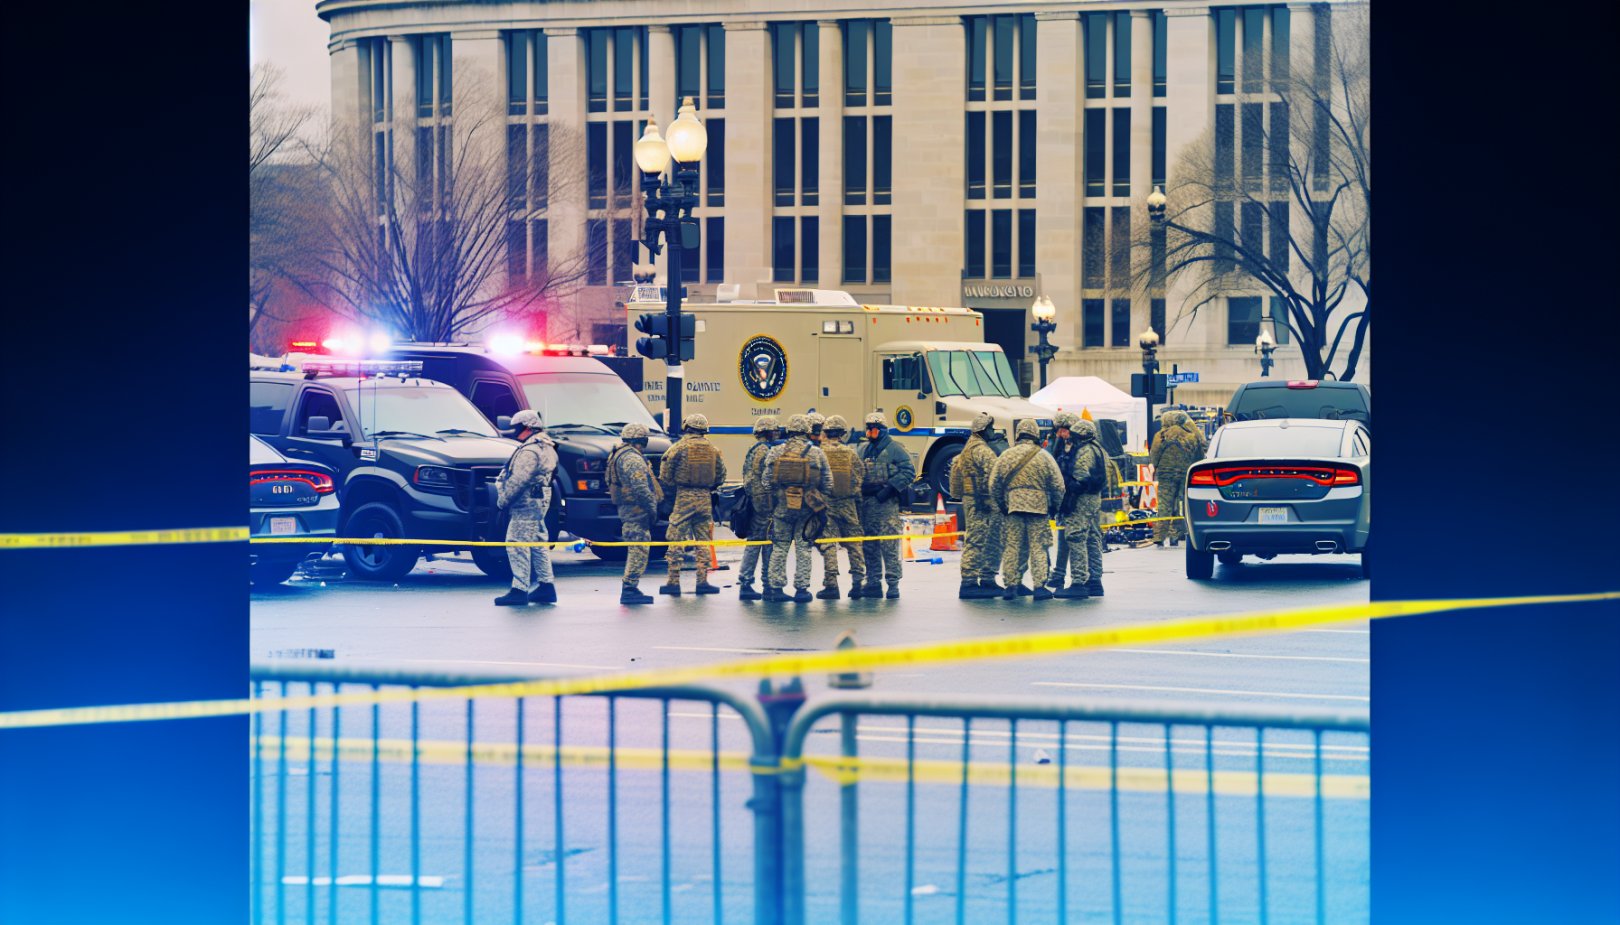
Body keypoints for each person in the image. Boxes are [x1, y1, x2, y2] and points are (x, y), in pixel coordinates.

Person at [990, 419, 1064, 601]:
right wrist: (1054, 507)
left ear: (1018, 434)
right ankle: (1039, 587)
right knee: (1038, 546)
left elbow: (993, 484)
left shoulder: (1006, 455)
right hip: (1038, 508)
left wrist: (1003, 505)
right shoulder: (1044, 456)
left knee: (1012, 546)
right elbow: (1058, 486)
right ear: (1035, 434)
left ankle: (1011, 586)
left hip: (1013, 507)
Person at [762, 414, 833, 602]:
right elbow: (828, 483)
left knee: (779, 547)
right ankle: (802, 590)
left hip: (782, 508)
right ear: (807, 431)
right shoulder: (816, 453)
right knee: (804, 548)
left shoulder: (776, 451)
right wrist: (817, 499)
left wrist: (779, 497)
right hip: (807, 509)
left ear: (788, 430)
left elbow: (766, 481)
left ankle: (776, 589)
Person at [493, 409, 558, 606]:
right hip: (539, 500)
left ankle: (519, 589)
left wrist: (503, 501)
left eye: (516, 428)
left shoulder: (530, 450)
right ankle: (546, 586)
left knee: (516, 543)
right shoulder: (546, 446)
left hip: (525, 503)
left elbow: (518, 480)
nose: (513, 432)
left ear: (527, 427)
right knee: (538, 542)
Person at [658, 413, 727, 595]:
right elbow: (721, 476)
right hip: (704, 498)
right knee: (703, 540)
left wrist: (674, 488)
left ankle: (673, 582)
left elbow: (665, 475)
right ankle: (702, 581)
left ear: (686, 427)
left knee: (676, 538)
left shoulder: (678, 448)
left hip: (684, 497)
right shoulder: (713, 450)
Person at [858, 412, 915, 599]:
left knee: (889, 545)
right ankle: (873, 582)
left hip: (887, 505)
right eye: (868, 430)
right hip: (867, 505)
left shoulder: (895, 449)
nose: (870, 434)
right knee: (869, 545)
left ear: (882, 430)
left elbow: (909, 471)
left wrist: (889, 488)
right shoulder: (863, 450)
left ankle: (893, 584)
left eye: (873, 430)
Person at [948, 412, 1004, 599]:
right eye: (990, 429)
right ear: (983, 430)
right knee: (980, 540)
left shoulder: (967, 448)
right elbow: (996, 474)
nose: (992, 432)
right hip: (983, 501)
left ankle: (983, 580)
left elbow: (955, 479)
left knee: (978, 538)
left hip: (971, 499)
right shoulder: (982, 450)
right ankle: (970, 582)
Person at [606, 422, 662, 605]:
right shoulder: (632, 458)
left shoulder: (618, 454)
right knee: (639, 549)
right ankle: (630, 588)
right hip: (636, 510)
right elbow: (640, 488)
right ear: (641, 441)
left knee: (637, 547)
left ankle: (631, 587)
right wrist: (652, 508)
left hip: (628, 508)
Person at [1056, 418, 1108, 599]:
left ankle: (1078, 581)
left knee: (1076, 537)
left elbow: (1080, 477)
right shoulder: (1099, 449)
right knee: (1093, 538)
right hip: (1093, 499)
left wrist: (1068, 490)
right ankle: (1095, 580)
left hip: (1081, 500)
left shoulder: (1085, 451)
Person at [816, 415, 868, 599]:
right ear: (843, 433)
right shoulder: (850, 453)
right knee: (854, 543)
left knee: (828, 543)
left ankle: (831, 585)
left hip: (826, 504)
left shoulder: (820, 452)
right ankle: (857, 583)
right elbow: (860, 475)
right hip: (848, 504)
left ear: (826, 432)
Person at [1148, 409, 1208, 547]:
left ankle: (1160, 535)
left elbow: (1155, 454)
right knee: (1180, 503)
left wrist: (1154, 466)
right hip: (1184, 473)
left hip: (1166, 474)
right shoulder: (1191, 435)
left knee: (1164, 504)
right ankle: (1176, 535)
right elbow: (1199, 457)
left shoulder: (1162, 435)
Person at [735, 416, 780, 600]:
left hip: (755, 501)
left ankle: (749, 582)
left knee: (756, 542)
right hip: (765, 504)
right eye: (775, 430)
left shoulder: (753, 450)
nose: (777, 434)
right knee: (765, 543)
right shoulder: (766, 451)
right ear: (767, 432)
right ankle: (764, 584)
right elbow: (766, 478)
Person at [1045, 413, 1081, 591]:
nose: (1061, 433)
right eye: (1058, 430)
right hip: (1062, 497)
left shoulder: (1079, 448)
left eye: (1064, 430)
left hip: (1075, 499)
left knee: (1074, 539)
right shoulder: (1057, 444)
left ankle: (1076, 578)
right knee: (1062, 536)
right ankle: (1059, 574)